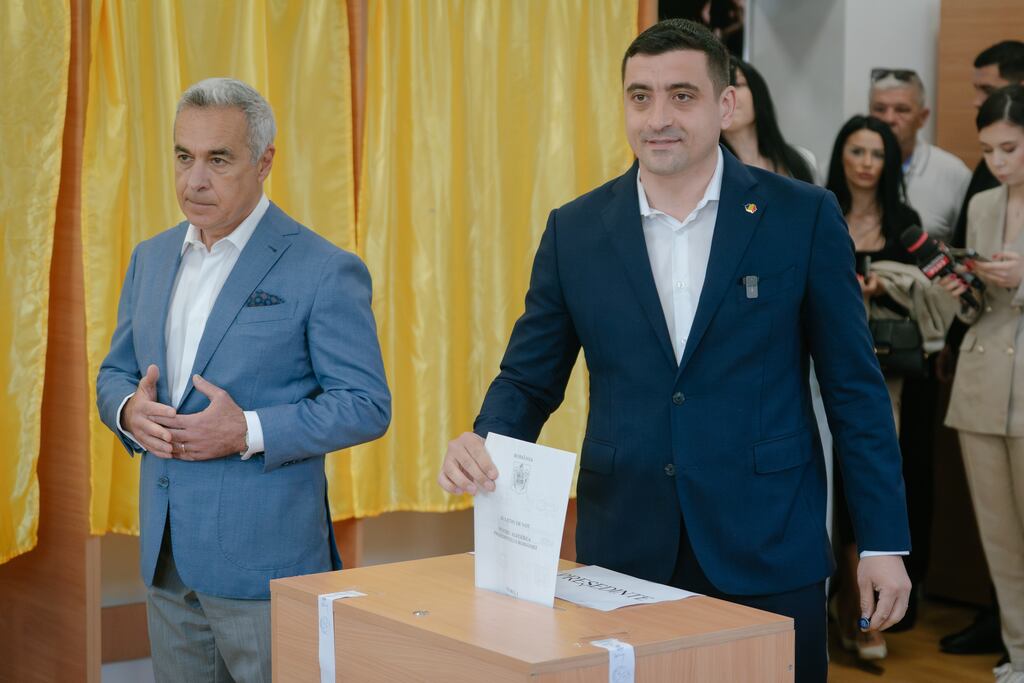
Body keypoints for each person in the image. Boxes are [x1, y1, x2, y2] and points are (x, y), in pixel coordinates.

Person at [438, 19, 910, 683]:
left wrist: (883, 540)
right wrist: (485, 440)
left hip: (770, 542)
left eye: (682, 96)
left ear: (726, 105)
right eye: (641, 96)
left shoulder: (802, 216)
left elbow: (854, 390)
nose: (658, 117)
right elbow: (528, 379)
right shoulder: (576, 230)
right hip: (624, 549)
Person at [95, 78, 391, 682]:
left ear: (264, 162)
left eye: (218, 159)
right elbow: (114, 371)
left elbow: (366, 404)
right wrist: (127, 410)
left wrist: (247, 430)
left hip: (267, 570)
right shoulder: (150, 257)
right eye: (184, 156)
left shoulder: (325, 269)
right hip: (167, 561)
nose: (194, 180)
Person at [824, 114, 922, 660]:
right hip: (817, 368)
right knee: (828, 491)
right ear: (840, 155)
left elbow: (932, 296)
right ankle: (838, 603)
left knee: (869, 481)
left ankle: (867, 614)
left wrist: (888, 286)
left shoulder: (904, 222)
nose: (865, 163)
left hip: (884, 372)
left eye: (877, 153)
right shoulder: (818, 209)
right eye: (856, 151)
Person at [938, 39, 1024, 661]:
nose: (996, 162)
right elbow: (974, 308)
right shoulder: (984, 202)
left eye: (1010, 149)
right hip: (982, 381)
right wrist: (959, 289)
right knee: (999, 538)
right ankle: (1018, 656)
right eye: (988, 150)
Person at [722, 57, 817, 184]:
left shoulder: (802, 160)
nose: (728, 97)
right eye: (720, 89)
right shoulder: (709, 170)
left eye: (737, 84)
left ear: (758, 91)